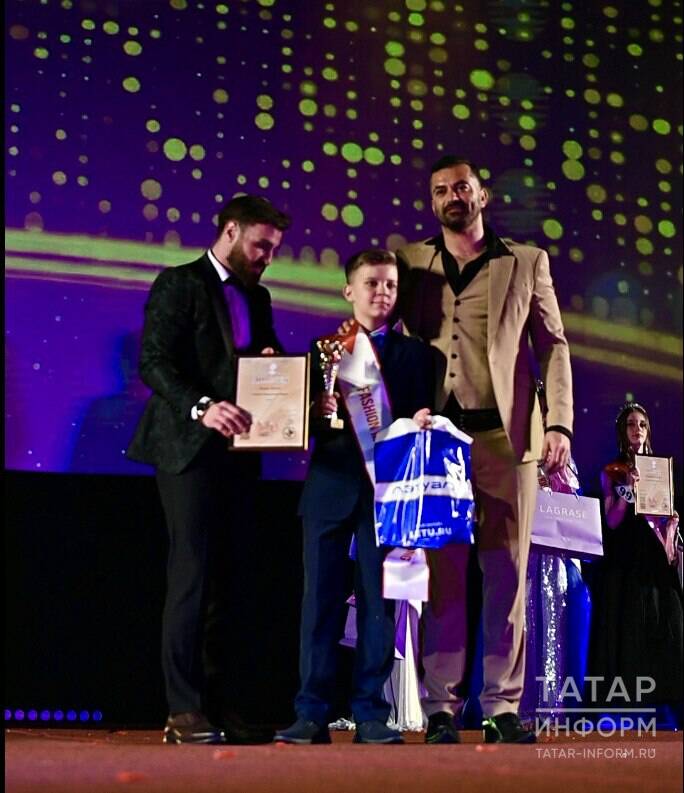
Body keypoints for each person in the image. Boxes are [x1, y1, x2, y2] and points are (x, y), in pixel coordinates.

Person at [395, 155, 573, 744]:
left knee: (508, 575)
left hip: (506, 436)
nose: (453, 196)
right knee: (442, 575)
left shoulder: (525, 261)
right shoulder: (411, 262)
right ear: (432, 202)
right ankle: (441, 708)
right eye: (441, 190)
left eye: (462, 187)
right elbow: (391, 338)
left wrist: (559, 424)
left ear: (482, 195)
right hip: (437, 442)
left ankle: (501, 706)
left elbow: (553, 345)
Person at [127, 195, 291, 744]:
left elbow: (266, 361)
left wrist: (282, 371)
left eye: (274, 249)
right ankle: (182, 710)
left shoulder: (257, 295)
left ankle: (221, 708)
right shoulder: (180, 283)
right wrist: (203, 406)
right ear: (230, 231)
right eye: (261, 245)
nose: (267, 257)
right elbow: (153, 362)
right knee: (192, 575)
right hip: (187, 451)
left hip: (240, 454)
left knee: (231, 579)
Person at [274, 249, 434, 745]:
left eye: (390, 285)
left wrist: (421, 421)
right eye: (372, 283)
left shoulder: (418, 356)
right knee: (319, 603)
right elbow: (303, 425)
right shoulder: (325, 349)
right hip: (329, 486)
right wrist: (314, 409)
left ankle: (370, 713)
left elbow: (421, 419)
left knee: (377, 605)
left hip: (385, 493)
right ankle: (311, 712)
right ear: (349, 290)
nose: (382, 292)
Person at [591, 402, 682, 722]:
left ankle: (666, 700)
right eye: (631, 423)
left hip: (655, 561)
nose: (637, 429)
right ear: (622, 430)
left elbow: (664, 524)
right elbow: (612, 520)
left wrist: (670, 525)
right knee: (630, 628)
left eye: (642, 424)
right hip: (626, 560)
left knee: (667, 624)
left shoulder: (661, 469)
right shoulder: (612, 470)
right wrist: (628, 489)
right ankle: (628, 703)